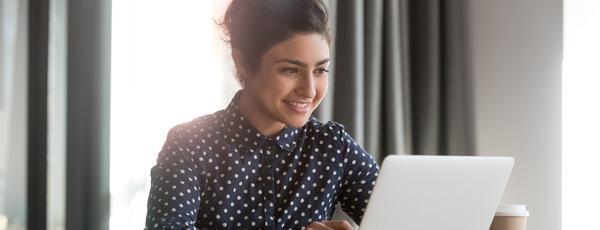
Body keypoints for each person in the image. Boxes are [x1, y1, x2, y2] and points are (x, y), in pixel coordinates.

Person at [144, 0, 379, 229]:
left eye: (320, 70)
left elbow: (406, 217)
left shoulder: (333, 147)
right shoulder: (189, 145)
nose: (309, 90)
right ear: (243, 62)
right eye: (290, 70)